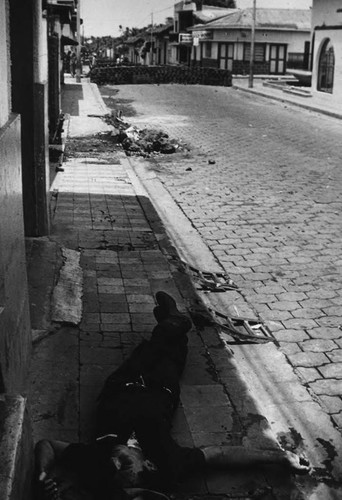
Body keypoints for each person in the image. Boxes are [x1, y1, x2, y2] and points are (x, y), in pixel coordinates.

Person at [34, 292, 310, 500]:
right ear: (148, 464)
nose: (114, 459)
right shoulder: (169, 462)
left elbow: (47, 444)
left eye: (113, 467)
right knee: (173, 353)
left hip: (123, 382)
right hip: (161, 387)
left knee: (151, 349)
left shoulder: (97, 462)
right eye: (125, 464)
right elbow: (220, 454)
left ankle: (171, 322)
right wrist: (279, 458)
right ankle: (174, 323)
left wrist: (44, 473)